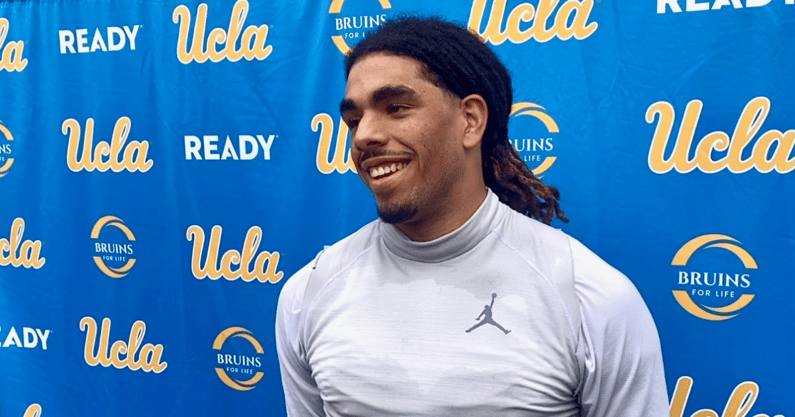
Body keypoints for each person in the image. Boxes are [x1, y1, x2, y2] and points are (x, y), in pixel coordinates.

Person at [276, 15, 668, 416]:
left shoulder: (592, 298)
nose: (364, 136)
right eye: (354, 120)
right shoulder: (307, 295)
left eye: (395, 107)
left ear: (471, 120)